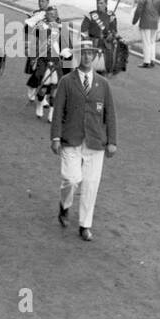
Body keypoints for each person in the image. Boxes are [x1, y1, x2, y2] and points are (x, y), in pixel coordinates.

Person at [50, 39, 118, 242]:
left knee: (91, 184)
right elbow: (58, 111)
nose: (87, 57)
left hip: (95, 141)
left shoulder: (103, 84)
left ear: (94, 56)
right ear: (78, 56)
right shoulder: (66, 81)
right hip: (71, 138)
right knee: (71, 179)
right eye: (83, 53)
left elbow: (110, 114)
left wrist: (112, 141)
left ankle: (85, 225)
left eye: (90, 53)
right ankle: (64, 205)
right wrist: (55, 137)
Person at [81, 0, 128, 77]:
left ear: (106, 4)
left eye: (101, 3)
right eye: (98, 3)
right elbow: (83, 30)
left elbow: (114, 30)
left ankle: (111, 69)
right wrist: (86, 38)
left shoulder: (111, 15)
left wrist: (111, 34)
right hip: (93, 43)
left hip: (106, 43)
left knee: (119, 48)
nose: (99, 5)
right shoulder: (91, 15)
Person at [131, 0, 160, 68]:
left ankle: (146, 61)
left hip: (145, 21)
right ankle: (152, 59)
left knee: (146, 42)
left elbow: (139, 11)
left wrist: (134, 21)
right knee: (152, 42)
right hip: (155, 21)